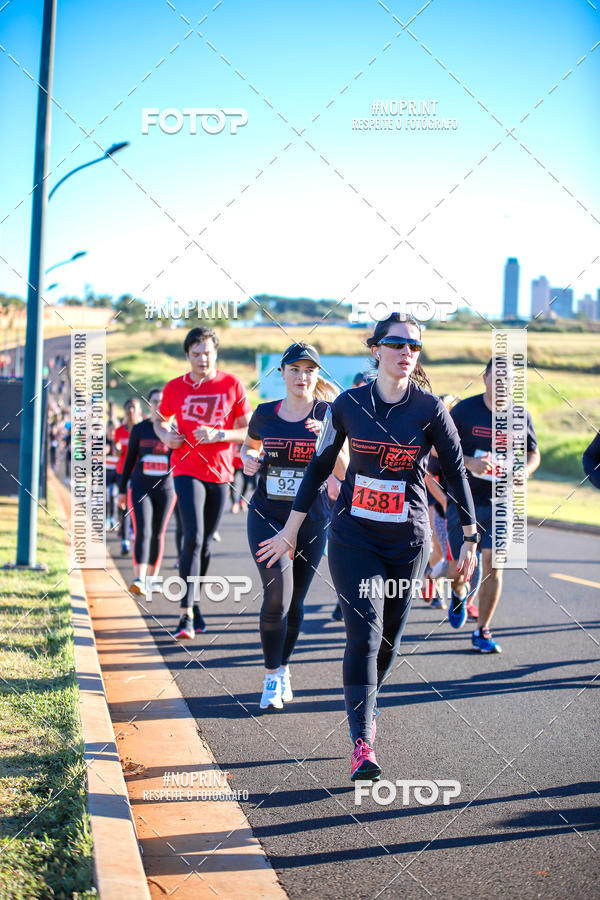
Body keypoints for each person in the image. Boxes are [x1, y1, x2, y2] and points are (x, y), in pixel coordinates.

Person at [256, 314, 478, 780]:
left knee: (388, 639)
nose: (406, 352)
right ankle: (362, 743)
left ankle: (367, 705)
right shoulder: (349, 405)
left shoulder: (430, 410)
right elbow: (318, 469)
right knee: (365, 630)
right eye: (396, 343)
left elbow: (455, 473)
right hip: (353, 536)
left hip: (407, 540)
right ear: (376, 349)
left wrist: (469, 535)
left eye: (414, 346)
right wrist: (291, 528)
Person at [242, 343, 348, 710]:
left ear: (317, 376)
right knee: (277, 596)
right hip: (267, 515)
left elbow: (344, 471)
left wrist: (329, 440)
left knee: (297, 600)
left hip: (312, 518)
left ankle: (284, 667)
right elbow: (250, 445)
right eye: (295, 370)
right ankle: (272, 675)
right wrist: (249, 459)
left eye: (310, 371)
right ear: (282, 373)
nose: (302, 377)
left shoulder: (329, 414)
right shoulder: (265, 413)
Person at [153, 327, 252, 639]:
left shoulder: (232, 385)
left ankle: (195, 606)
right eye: (195, 354)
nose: (202, 359)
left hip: (221, 473)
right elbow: (159, 418)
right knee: (193, 538)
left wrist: (219, 434)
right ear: (187, 356)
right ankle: (185, 614)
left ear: (215, 353)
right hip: (185, 467)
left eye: (207, 352)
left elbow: (249, 432)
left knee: (206, 543)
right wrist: (165, 434)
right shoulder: (174, 388)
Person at [447, 357, 540, 653]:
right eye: (497, 378)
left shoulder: (520, 415)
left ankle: (482, 631)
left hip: (501, 502)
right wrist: (470, 461)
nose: (502, 384)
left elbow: (533, 453)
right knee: (462, 569)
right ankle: (459, 593)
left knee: (494, 565)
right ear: (485, 378)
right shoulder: (464, 411)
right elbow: (443, 453)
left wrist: (525, 470)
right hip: (465, 502)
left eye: (509, 380)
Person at [118, 389, 176, 595]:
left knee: (158, 533)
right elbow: (129, 460)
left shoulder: (174, 431)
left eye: (163, 401)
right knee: (143, 530)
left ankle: (152, 579)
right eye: (155, 401)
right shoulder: (140, 429)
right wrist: (122, 489)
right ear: (149, 404)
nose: (159, 405)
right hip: (141, 487)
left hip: (166, 489)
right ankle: (139, 578)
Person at [114, 398, 143, 555]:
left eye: (134, 408)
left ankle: (136, 535)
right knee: (123, 506)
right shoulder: (119, 431)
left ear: (139, 410)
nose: (130, 411)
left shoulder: (143, 430)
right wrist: (117, 451)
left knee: (138, 507)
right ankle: (125, 540)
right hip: (122, 473)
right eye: (128, 408)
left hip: (141, 474)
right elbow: (117, 449)